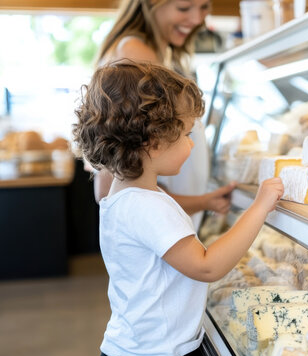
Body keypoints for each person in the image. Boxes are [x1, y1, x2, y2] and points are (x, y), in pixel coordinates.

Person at [73, 61, 283, 356]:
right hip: (158, 355)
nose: (191, 143)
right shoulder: (146, 205)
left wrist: (210, 201)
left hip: (136, 348)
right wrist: (260, 206)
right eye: (186, 134)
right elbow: (207, 266)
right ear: (154, 143)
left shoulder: (126, 194)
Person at [90, 0, 230, 229]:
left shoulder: (160, 52)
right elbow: (111, 186)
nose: (197, 19)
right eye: (184, 8)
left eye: (205, 7)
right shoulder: (135, 54)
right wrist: (204, 202)